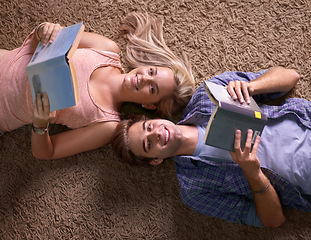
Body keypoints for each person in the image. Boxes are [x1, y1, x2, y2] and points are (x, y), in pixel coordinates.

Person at [112, 66, 311, 228]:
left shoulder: (207, 94)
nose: (155, 133)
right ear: (156, 160)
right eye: (148, 144)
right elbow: (272, 220)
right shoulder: (194, 191)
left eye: (148, 127)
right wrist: (254, 174)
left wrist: (251, 87)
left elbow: (291, 76)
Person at [0, 12, 195, 159]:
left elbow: (46, 153)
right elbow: (44, 41)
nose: (144, 78)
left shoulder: (107, 124)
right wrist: (45, 29)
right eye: (151, 71)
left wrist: (40, 124)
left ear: (150, 105)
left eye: (152, 89)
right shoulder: (107, 49)